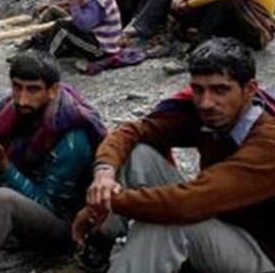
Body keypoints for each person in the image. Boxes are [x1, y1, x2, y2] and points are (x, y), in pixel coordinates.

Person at [72, 38, 275, 273]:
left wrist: (107, 203)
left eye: (220, 90)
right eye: (198, 89)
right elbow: (133, 131)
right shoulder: (207, 114)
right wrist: (103, 174)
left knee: (167, 224)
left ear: (249, 89)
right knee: (138, 153)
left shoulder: (268, 142)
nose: (206, 103)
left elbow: (189, 203)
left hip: (260, 252)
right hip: (216, 220)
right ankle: (102, 241)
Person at [0, 51, 106, 273]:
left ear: (52, 90)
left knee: (2, 200)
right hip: (26, 191)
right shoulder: (13, 107)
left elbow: (50, 205)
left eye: (33, 89)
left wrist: (4, 165)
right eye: (17, 87)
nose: (22, 99)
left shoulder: (72, 137)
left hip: (64, 227)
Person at [27, 0, 122, 61]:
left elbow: (84, 26)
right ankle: (37, 43)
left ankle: (46, 57)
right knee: (53, 11)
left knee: (62, 27)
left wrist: (74, 4)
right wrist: (47, 6)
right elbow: (68, 3)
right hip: (94, 38)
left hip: (102, 49)